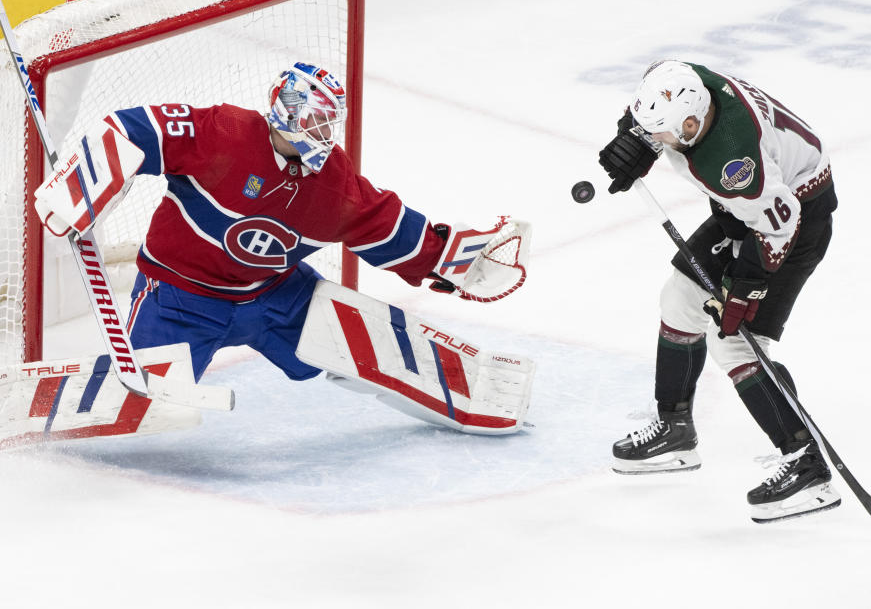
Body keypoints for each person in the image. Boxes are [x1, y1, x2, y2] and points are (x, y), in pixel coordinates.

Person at [33, 62, 529, 434]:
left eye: (327, 124)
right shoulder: (224, 134)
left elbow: (387, 225)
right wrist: (82, 182)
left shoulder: (333, 184)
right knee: (147, 407)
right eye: (312, 121)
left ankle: (467, 385)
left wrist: (453, 259)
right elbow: (137, 129)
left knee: (360, 341)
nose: (321, 134)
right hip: (183, 298)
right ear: (285, 111)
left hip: (276, 298)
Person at [598, 59, 840, 523]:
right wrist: (635, 137)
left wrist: (744, 289)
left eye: (664, 136)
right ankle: (675, 427)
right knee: (679, 301)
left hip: (793, 224)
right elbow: (653, 90)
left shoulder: (733, 163)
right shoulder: (681, 80)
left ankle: (807, 465)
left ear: (691, 127)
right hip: (748, 213)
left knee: (733, 343)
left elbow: (779, 226)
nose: (659, 141)